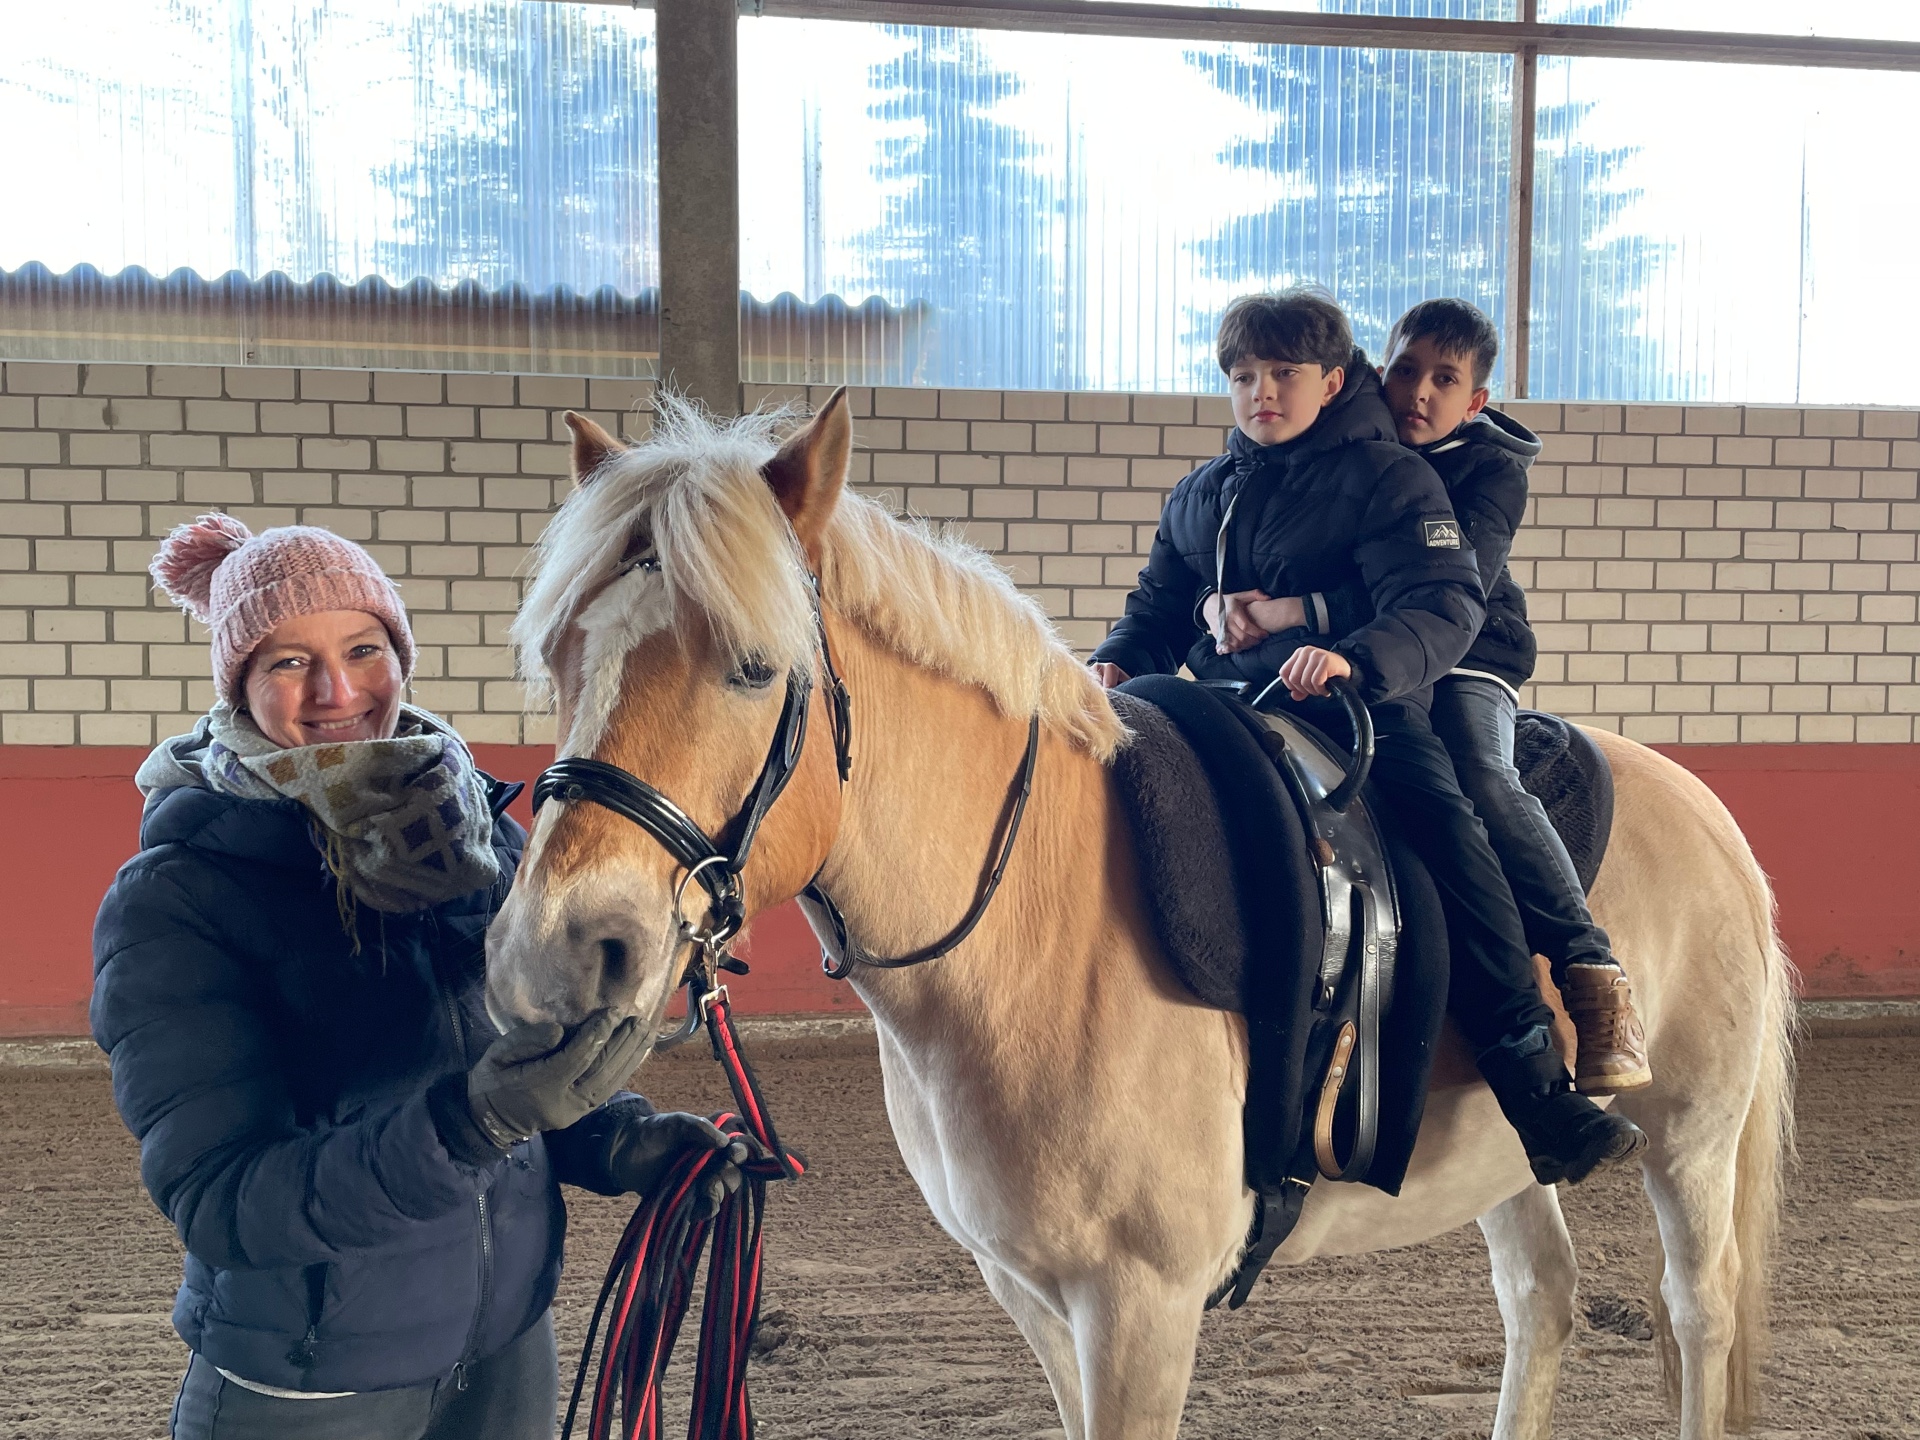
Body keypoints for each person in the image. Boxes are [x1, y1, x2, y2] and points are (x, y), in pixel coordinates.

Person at [93, 515, 749, 1440]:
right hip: (313, 1386)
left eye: (364, 648)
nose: (335, 690)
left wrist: (620, 1141)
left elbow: (512, 1066)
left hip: (505, 1352)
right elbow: (226, 1201)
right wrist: (472, 1121)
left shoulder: (479, 843)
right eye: (286, 661)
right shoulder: (178, 898)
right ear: (238, 681)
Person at [1089, 288, 1644, 1187]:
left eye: (1283, 374)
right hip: (1227, 704)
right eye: (1243, 376)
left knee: (1450, 830)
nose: (1261, 391)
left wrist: (1350, 658)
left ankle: (1535, 1084)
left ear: (1334, 380)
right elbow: (1153, 608)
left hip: (1362, 703)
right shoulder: (1201, 495)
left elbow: (1441, 602)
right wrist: (1115, 661)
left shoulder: (1392, 479)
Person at [1370, 298, 1649, 1093]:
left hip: (1463, 653)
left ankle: (1592, 973)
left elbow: (1452, 590)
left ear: (1475, 401)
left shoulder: (1490, 472)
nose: (1419, 391)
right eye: (1405, 370)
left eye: (1444, 379)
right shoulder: (1356, 448)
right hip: (1373, 654)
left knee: (1483, 777)